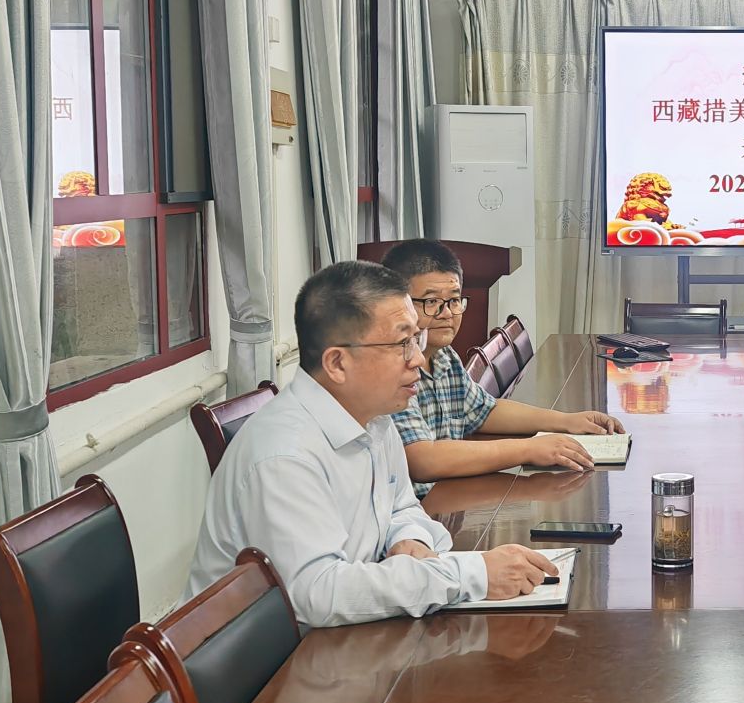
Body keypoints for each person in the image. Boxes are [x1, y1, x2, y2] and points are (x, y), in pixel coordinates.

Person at [188, 260, 557, 626]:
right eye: (401, 343)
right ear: (337, 363)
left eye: (416, 339)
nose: (417, 359)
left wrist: (411, 540)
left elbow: (402, 506)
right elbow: (317, 594)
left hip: (345, 632)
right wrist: (471, 575)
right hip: (272, 654)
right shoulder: (285, 455)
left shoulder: (375, 418)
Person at [383, 240, 624, 495]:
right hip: (416, 508)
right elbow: (423, 460)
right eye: (431, 301)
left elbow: (484, 411)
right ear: (398, 303)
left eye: (454, 300)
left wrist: (567, 421)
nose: (447, 313)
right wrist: (529, 449)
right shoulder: (392, 368)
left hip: (447, 495)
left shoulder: (444, 356)